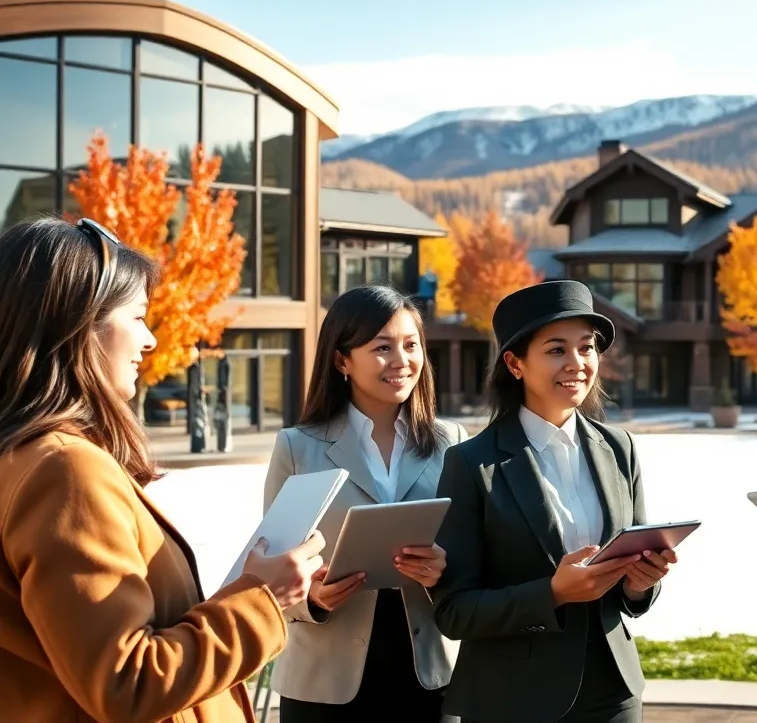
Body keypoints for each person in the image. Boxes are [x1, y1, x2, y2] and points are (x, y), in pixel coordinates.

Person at [0, 217, 323, 722]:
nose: (150, 341)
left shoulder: (22, 458)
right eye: (137, 318)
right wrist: (263, 599)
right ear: (78, 324)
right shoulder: (63, 469)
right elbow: (127, 682)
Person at [432, 280, 677, 723]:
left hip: (613, 691)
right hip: (512, 699)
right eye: (556, 349)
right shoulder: (472, 463)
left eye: (587, 347)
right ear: (515, 363)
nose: (577, 363)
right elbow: (454, 611)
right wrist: (551, 594)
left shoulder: (619, 448)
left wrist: (641, 582)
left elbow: (634, 581)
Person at [262, 285, 469, 722]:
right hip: (324, 681)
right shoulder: (298, 448)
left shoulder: (451, 442)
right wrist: (312, 598)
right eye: (382, 347)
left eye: (411, 345)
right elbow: (267, 571)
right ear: (342, 360)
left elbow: (474, 556)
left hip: (429, 674)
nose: (401, 360)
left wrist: (445, 570)